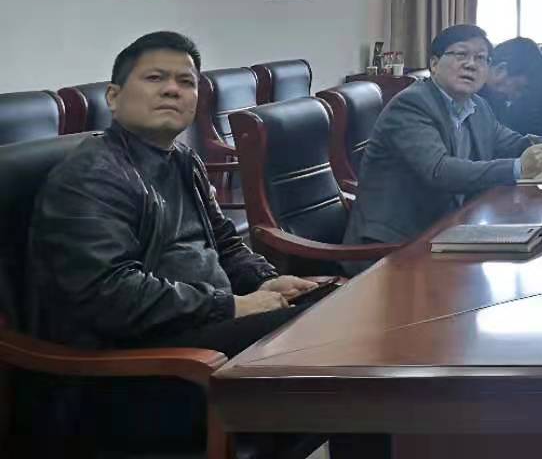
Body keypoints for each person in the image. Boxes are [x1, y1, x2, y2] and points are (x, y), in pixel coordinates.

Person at [26, 31, 321, 451]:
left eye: (186, 82)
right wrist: (232, 306)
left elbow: (224, 243)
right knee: (325, 342)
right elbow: (109, 295)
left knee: (332, 309)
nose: (172, 90)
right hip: (141, 371)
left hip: (202, 333)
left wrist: (264, 281)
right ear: (113, 97)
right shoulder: (91, 177)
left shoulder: (183, 160)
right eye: (154, 78)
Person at [344, 24, 542, 248]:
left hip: (447, 230)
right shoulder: (412, 104)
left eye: (481, 58)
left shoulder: (477, 106)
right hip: (395, 245)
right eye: (461, 55)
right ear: (434, 64)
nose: (471, 65)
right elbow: (440, 170)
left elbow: (514, 142)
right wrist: (518, 168)